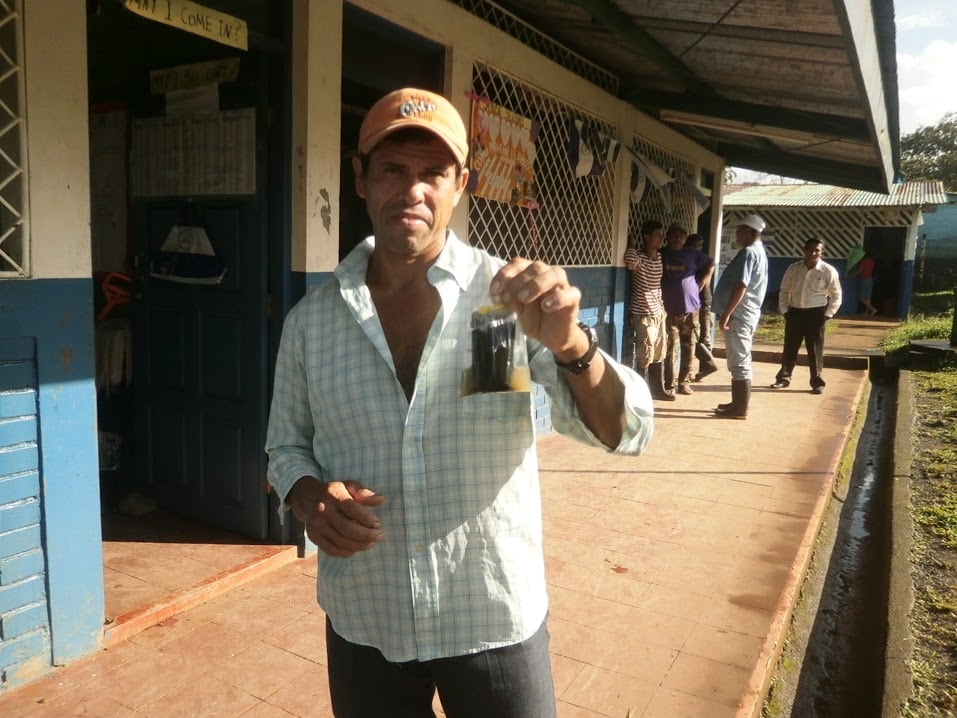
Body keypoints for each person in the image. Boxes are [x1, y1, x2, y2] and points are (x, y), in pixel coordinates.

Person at [264, 87, 654, 718]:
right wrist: (312, 501)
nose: (412, 190)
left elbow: (627, 431)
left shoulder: (501, 304)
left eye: (432, 173)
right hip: (369, 616)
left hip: (492, 613)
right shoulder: (313, 322)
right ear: (360, 178)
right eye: (393, 169)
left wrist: (572, 347)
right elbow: (285, 445)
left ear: (461, 184)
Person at [710, 214, 769, 419]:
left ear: (750, 232)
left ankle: (739, 409)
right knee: (740, 358)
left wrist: (727, 313)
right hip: (747, 312)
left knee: (739, 360)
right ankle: (736, 403)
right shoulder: (758, 252)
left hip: (740, 314)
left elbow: (741, 285)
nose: (736, 233)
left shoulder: (749, 253)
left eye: (740, 229)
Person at [771, 237, 843, 394]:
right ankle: (783, 378)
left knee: (815, 349)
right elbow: (784, 291)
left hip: (816, 313)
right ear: (804, 250)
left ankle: (817, 382)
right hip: (795, 312)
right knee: (790, 347)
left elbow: (836, 295)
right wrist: (785, 311)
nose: (813, 253)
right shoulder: (793, 268)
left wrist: (828, 314)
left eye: (817, 250)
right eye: (810, 249)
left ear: (822, 252)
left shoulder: (828, 271)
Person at [660, 224, 714, 395]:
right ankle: (669, 383)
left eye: (681, 237)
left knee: (689, 348)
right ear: (667, 237)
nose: (678, 239)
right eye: (675, 236)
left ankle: (684, 382)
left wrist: (704, 280)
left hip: (691, 311)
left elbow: (711, 263)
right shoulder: (662, 254)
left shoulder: (692, 254)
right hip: (669, 312)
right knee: (670, 349)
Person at [624, 220, 674, 401]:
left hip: (658, 311)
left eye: (661, 235)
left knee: (660, 351)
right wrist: (630, 241)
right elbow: (629, 260)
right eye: (657, 235)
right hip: (643, 312)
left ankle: (657, 389)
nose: (661, 239)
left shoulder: (659, 257)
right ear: (646, 237)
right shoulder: (639, 258)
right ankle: (641, 393)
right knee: (645, 354)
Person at [685, 233, 718, 382]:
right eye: (695, 246)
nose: (697, 249)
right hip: (700, 303)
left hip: (702, 303)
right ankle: (706, 366)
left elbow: (701, 284)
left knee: (700, 337)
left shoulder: (703, 262)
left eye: (699, 246)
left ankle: (707, 365)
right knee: (700, 337)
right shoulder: (695, 260)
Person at [847, 250, 878, 316]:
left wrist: (850, 276)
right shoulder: (872, 262)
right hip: (870, 280)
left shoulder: (864, 262)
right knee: (868, 297)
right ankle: (866, 312)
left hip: (864, 280)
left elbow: (859, 271)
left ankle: (872, 309)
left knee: (861, 297)